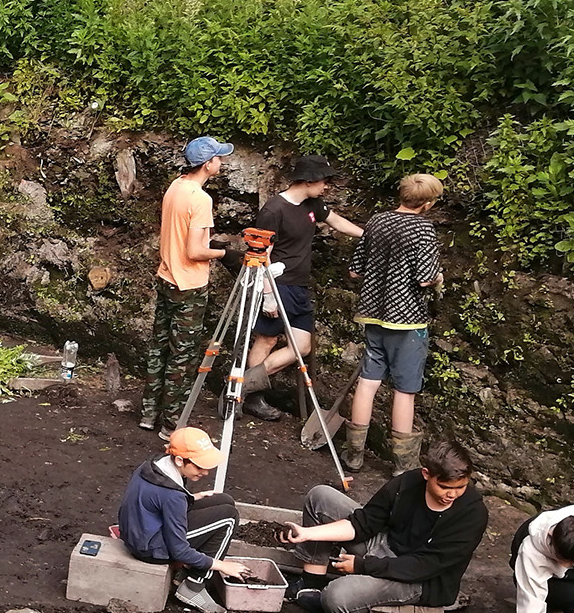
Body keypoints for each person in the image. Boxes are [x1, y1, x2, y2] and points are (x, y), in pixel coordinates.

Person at [282, 437, 487, 613]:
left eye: (460, 487)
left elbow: (425, 566)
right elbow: (365, 522)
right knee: (321, 497)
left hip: (420, 580)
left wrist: (364, 565)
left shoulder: (472, 515)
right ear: (426, 474)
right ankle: (312, 583)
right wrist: (307, 533)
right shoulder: (407, 484)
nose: (452, 494)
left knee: (337, 597)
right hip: (386, 546)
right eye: (444, 487)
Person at [239, 156, 366, 421]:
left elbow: (337, 222)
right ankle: (251, 398)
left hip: (299, 286)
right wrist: (268, 294)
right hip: (277, 283)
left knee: (302, 347)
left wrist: (369, 235)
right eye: (324, 181)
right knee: (267, 339)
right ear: (308, 181)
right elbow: (263, 253)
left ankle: (240, 385)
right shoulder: (274, 210)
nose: (327, 187)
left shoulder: (313, 204)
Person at [342, 173, 445, 473]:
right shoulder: (423, 229)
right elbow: (426, 278)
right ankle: (403, 466)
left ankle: (353, 456)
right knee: (404, 390)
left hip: (373, 315)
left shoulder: (377, 221)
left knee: (368, 382)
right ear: (427, 204)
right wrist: (439, 277)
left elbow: (355, 272)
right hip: (407, 320)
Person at [140, 136, 237, 436]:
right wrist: (225, 252)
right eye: (219, 158)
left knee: (159, 346)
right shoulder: (200, 199)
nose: (221, 162)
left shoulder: (175, 187)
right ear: (208, 164)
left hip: (167, 276)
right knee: (183, 354)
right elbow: (195, 251)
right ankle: (172, 423)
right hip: (189, 285)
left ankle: (148, 413)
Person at [116, 426, 250, 613]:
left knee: (225, 501)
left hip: (140, 529)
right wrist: (222, 565)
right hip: (149, 549)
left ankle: (186, 571)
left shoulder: (156, 464)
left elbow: (157, 501)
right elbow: (179, 549)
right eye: (199, 466)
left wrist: (192, 497)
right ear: (179, 460)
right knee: (228, 519)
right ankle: (194, 586)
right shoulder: (172, 496)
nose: (205, 472)